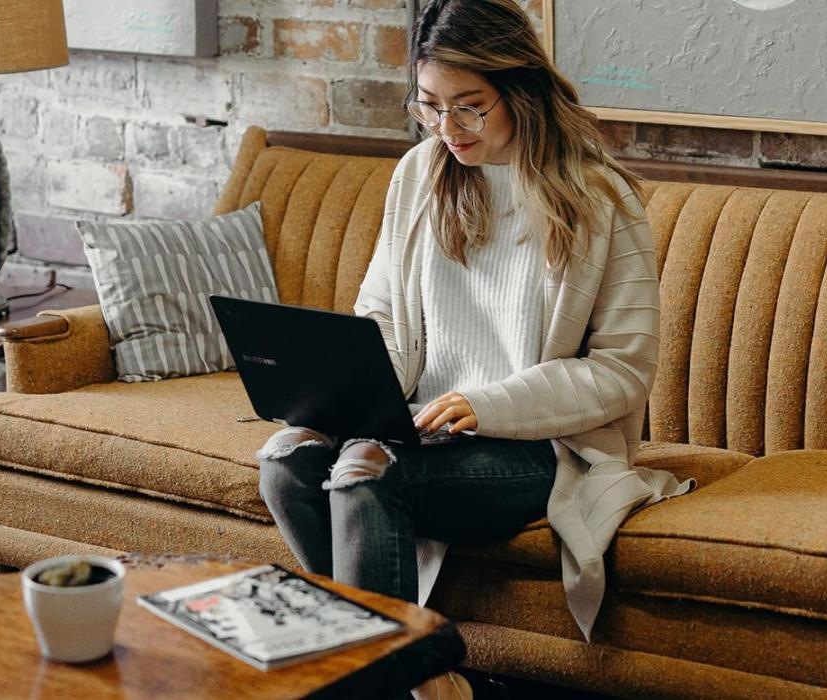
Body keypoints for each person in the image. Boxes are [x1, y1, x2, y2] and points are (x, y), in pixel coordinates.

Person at [254, 1, 690, 697]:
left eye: (470, 107)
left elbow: (623, 369)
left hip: (540, 447)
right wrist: (353, 390)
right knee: (285, 461)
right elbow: (382, 314)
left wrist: (483, 405)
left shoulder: (600, 197)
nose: (447, 128)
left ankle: (401, 680)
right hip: (421, 425)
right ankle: (418, 677)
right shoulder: (419, 173)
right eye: (430, 106)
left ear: (520, 90)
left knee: (368, 472)